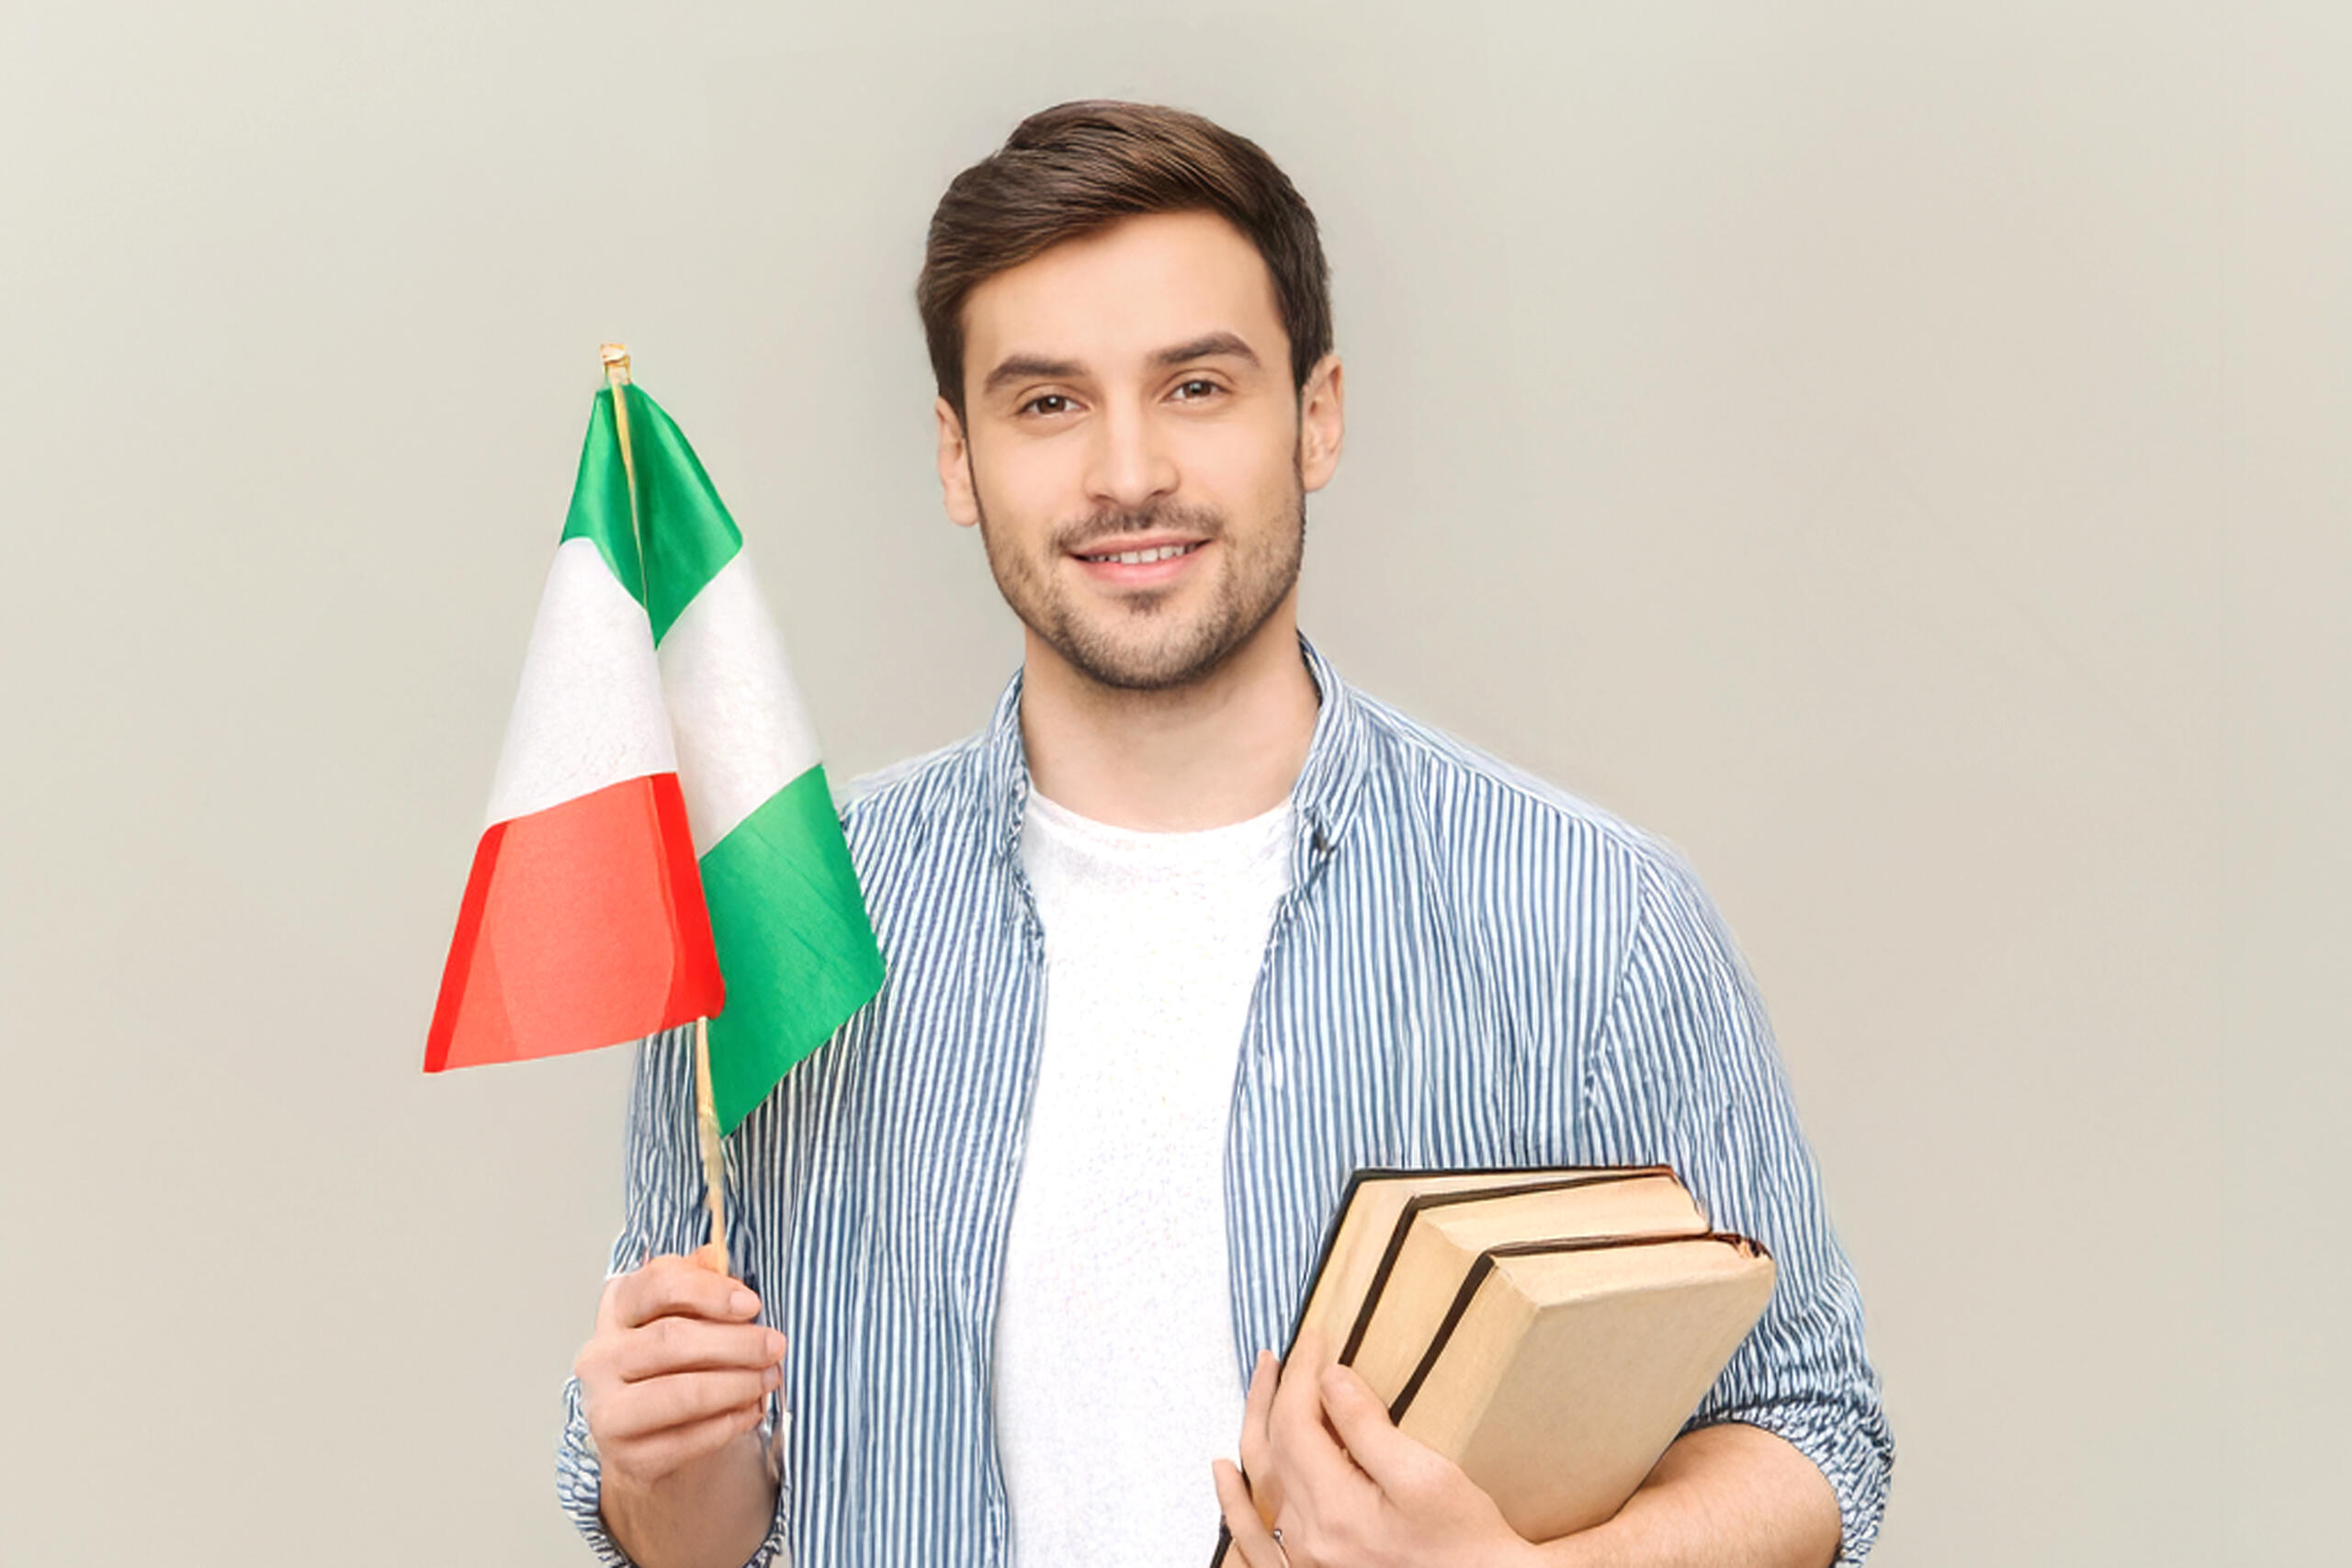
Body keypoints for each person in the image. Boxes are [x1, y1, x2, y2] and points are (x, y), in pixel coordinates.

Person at [559, 100, 1892, 1568]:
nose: (1128, 473)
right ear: (957, 457)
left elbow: (1810, 1434)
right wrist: (663, 1471)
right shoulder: (774, 927)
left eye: (1196, 386)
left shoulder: (1595, 921)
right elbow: (693, 1535)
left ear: (1316, 415)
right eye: (1047, 403)